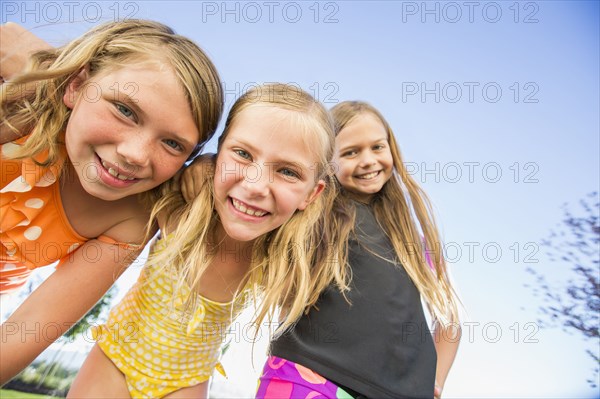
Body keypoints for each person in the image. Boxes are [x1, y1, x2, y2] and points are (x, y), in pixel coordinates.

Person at [65, 83, 341, 398]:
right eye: (242, 153)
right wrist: (199, 165)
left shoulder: (280, 258)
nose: (255, 185)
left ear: (312, 193)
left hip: (188, 381)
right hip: (116, 358)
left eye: (288, 172)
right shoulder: (182, 203)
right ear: (218, 152)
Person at [0, 19, 223, 384]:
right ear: (76, 85)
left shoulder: (131, 216)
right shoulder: (19, 109)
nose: (135, 154)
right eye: (125, 110)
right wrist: (39, 66)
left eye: (172, 144)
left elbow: (22, 336)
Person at [255, 101, 462, 399]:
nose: (367, 160)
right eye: (351, 152)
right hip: (310, 377)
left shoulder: (416, 241)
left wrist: (436, 383)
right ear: (328, 160)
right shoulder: (314, 209)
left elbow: (450, 320)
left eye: (377, 147)